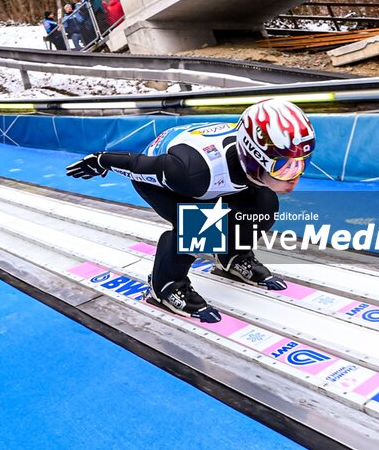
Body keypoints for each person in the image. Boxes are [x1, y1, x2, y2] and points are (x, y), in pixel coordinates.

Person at [66, 98, 316, 323]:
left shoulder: (252, 161)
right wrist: (100, 160)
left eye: (301, 164)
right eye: (284, 168)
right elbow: (139, 165)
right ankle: (165, 285)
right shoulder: (193, 173)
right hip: (164, 178)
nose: (295, 177)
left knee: (264, 205)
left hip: (204, 161)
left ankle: (232, 256)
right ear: (252, 158)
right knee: (204, 225)